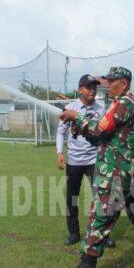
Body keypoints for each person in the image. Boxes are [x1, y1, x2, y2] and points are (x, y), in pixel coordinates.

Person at [60, 66, 134, 268]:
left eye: (112, 82)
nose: (107, 86)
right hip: (128, 172)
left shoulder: (123, 104)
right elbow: (103, 136)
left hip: (117, 173)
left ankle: (86, 267)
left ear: (124, 83)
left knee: (100, 215)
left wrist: (76, 116)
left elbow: (99, 129)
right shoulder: (122, 104)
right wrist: (79, 125)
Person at [55, 74, 106, 246]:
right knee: (72, 198)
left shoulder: (101, 109)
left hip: (94, 160)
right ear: (80, 89)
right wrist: (59, 152)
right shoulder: (69, 108)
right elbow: (61, 132)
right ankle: (73, 233)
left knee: (100, 198)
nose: (92, 90)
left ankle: (101, 234)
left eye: (94, 87)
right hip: (74, 161)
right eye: (88, 87)